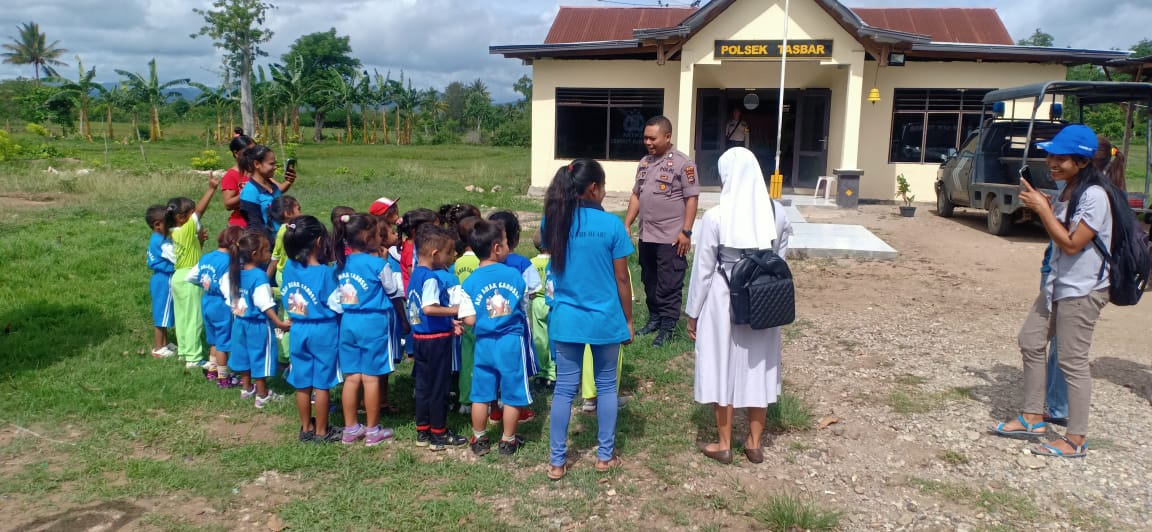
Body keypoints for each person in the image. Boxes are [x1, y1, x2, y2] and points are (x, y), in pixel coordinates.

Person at [991, 124, 1113, 459]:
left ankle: (1076, 439)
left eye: (1061, 158)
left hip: (1082, 290)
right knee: (1030, 340)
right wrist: (1048, 205)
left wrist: (1044, 210)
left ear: (1083, 162)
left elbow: (1073, 244)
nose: (1052, 162)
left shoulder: (1095, 196)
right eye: (1050, 155)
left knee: (1073, 362)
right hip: (1057, 286)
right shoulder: (1069, 191)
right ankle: (1033, 417)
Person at [685, 147, 792, 465]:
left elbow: (703, 271)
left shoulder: (717, 216)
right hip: (763, 298)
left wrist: (693, 314)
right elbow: (779, 261)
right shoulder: (778, 214)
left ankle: (724, 443)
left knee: (721, 364)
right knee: (759, 365)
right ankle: (755, 443)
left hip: (722, 298)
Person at [543, 159, 634, 480]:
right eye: (605, 186)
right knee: (607, 386)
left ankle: (557, 462)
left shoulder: (553, 222)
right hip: (605, 319)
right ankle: (604, 457)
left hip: (565, 319)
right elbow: (623, 280)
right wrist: (629, 320)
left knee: (565, 390)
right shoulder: (612, 226)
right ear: (593, 189)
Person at [623, 116, 700, 347]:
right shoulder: (644, 163)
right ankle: (655, 318)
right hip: (647, 234)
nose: (648, 142)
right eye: (645, 138)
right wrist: (627, 223)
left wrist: (686, 231)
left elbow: (692, 198)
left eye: (652, 138)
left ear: (668, 137)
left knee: (670, 282)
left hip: (671, 236)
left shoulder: (683, 164)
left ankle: (668, 326)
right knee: (650, 279)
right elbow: (637, 195)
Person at [459, 219, 532, 456]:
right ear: (496, 248)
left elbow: (468, 318)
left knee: (481, 393)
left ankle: (479, 438)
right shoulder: (514, 275)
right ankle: (508, 440)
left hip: (484, 343)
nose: (509, 246)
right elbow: (524, 306)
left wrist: (484, 318)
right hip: (511, 341)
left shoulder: (469, 282)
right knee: (512, 391)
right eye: (506, 242)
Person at [335, 214, 402, 446]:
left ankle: (351, 427)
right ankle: (373, 430)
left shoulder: (340, 263)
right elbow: (393, 290)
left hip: (348, 322)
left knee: (352, 378)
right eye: (378, 235)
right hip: (373, 322)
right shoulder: (378, 264)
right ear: (368, 238)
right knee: (372, 378)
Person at [282, 215, 344, 444]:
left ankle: (306, 427)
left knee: (302, 382)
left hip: (298, 329)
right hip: (323, 330)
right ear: (319, 242)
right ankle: (321, 431)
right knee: (322, 383)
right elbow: (336, 305)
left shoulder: (289, 267)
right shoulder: (326, 274)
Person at [407, 225, 468, 451]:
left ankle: (422, 430)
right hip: (436, 340)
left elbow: (419, 310)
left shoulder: (416, 275)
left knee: (423, 386)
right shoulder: (431, 278)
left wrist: (448, 321)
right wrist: (455, 311)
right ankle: (439, 433)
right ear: (435, 254)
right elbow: (430, 308)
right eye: (449, 253)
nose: (451, 258)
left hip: (421, 338)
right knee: (439, 387)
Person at [227, 231, 292, 409]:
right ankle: (262, 395)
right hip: (258, 325)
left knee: (243, 355)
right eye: (266, 250)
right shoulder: (259, 276)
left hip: (239, 323)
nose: (270, 254)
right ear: (255, 254)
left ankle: (247, 388)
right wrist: (279, 323)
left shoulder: (235, 272)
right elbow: (264, 303)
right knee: (259, 356)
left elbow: (230, 298)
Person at [164, 176, 220, 369]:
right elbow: (200, 212)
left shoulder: (174, 231)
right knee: (194, 318)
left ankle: (184, 352)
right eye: (190, 212)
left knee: (182, 318)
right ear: (181, 217)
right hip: (190, 279)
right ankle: (194, 358)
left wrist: (200, 241)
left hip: (177, 277)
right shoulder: (186, 228)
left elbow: (192, 250)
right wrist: (211, 189)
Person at [186, 226, 245, 388]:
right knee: (223, 344)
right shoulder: (228, 263)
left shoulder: (207, 257)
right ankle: (223, 377)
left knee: (214, 340)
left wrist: (206, 285)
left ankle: (212, 370)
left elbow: (190, 276)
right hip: (221, 306)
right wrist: (236, 305)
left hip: (207, 302)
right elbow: (227, 289)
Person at [239, 145, 294, 243]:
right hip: (265, 247)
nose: (275, 167)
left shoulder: (273, 186)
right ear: (257, 164)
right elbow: (255, 227)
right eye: (271, 164)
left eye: (275, 163)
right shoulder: (250, 192)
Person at [145, 205, 177, 358]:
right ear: (157, 224)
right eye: (168, 223)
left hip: (160, 278)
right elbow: (176, 258)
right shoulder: (162, 242)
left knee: (164, 312)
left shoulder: (157, 238)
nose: (171, 226)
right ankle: (158, 348)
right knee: (161, 314)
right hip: (164, 279)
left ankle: (165, 343)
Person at [529, 232, 555, 387]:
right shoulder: (557, 261)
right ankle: (553, 371)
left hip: (537, 301)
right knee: (553, 336)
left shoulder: (531, 262)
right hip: (553, 301)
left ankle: (541, 371)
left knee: (539, 338)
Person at [221, 135, 255, 227]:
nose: (252, 155)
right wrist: (248, 192)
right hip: (241, 226)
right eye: (248, 152)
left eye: (253, 151)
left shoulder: (256, 171)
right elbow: (228, 204)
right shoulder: (231, 175)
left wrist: (288, 181)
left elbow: (278, 189)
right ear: (236, 153)